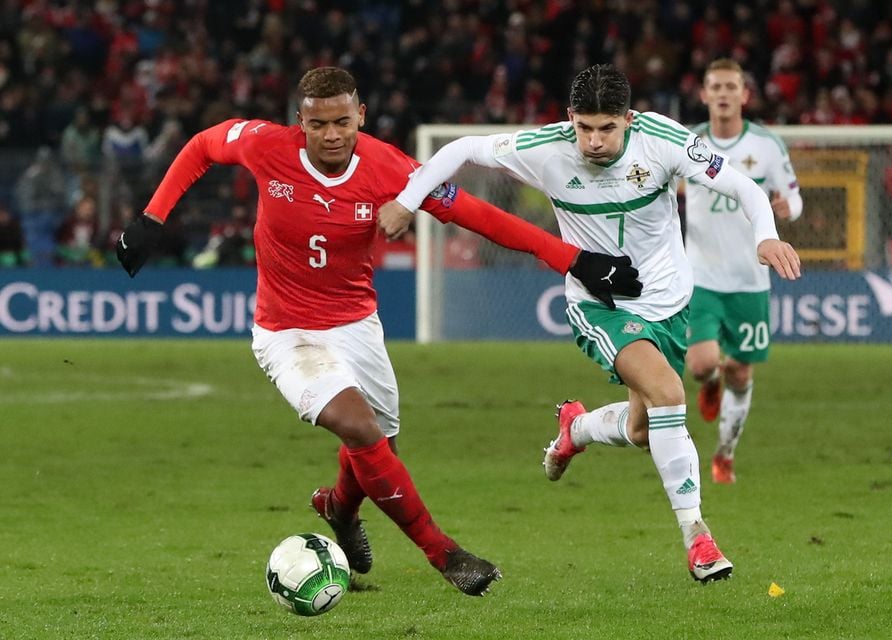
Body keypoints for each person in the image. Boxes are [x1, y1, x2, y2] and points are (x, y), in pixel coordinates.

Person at [115, 66, 641, 597]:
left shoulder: (393, 169)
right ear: (300, 122)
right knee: (360, 428)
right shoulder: (265, 147)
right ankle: (446, 553)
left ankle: (339, 509)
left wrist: (574, 260)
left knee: (379, 444)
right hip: (287, 331)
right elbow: (204, 145)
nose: (332, 135)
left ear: (360, 116)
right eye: (318, 124)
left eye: (343, 121)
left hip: (356, 326)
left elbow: (478, 215)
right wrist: (152, 218)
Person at [378, 63, 801, 583]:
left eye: (608, 129)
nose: (595, 141)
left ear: (629, 118)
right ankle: (699, 538)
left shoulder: (664, 140)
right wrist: (407, 199)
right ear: (570, 118)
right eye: (584, 128)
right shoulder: (545, 149)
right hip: (599, 304)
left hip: (669, 303)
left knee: (646, 428)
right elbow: (463, 148)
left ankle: (575, 429)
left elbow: (745, 188)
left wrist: (765, 235)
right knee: (670, 394)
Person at [684, 59, 803, 484]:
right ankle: (710, 377)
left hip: (750, 278)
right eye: (714, 85)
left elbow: (793, 195)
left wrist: (791, 208)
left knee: (742, 372)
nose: (723, 93)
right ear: (703, 94)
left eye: (731, 86)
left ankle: (725, 454)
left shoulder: (767, 146)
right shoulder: (689, 142)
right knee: (700, 365)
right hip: (699, 274)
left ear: (744, 95)